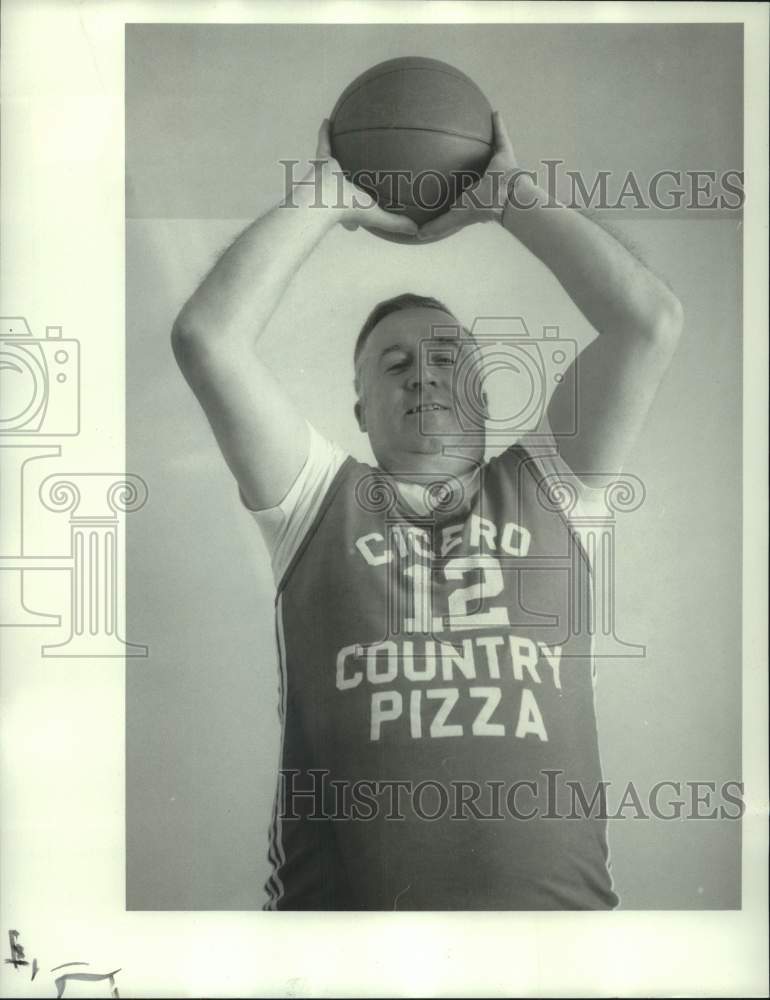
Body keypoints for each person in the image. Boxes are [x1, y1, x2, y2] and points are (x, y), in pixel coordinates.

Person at [171, 113, 683, 910]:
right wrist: (324, 197)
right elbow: (208, 338)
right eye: (396, 362)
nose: (424, 375)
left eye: (449, 357)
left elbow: (648, 322)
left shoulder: (552, 486)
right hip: (339, 952)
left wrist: (510, 195)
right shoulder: (316, 502)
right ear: (361, 407)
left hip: (562, 951)